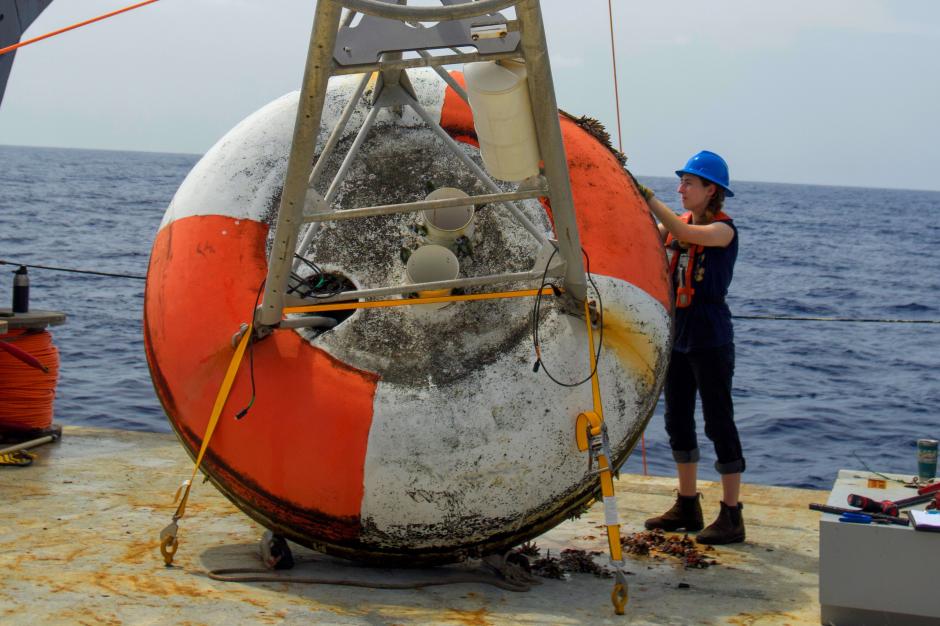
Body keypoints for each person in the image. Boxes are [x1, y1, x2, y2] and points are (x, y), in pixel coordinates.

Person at [634, 150, 745, 545]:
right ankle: (687, 504)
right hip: (678, 333)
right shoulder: (677, 224)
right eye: (680, 182)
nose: (681, 188)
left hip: (711, 336)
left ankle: (732, 514)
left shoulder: (723, 231)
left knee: (719, 422)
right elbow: (657, 241)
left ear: (710, 190)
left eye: (689, 183)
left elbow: (684, 237)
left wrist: (647, 197)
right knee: (677, 419)